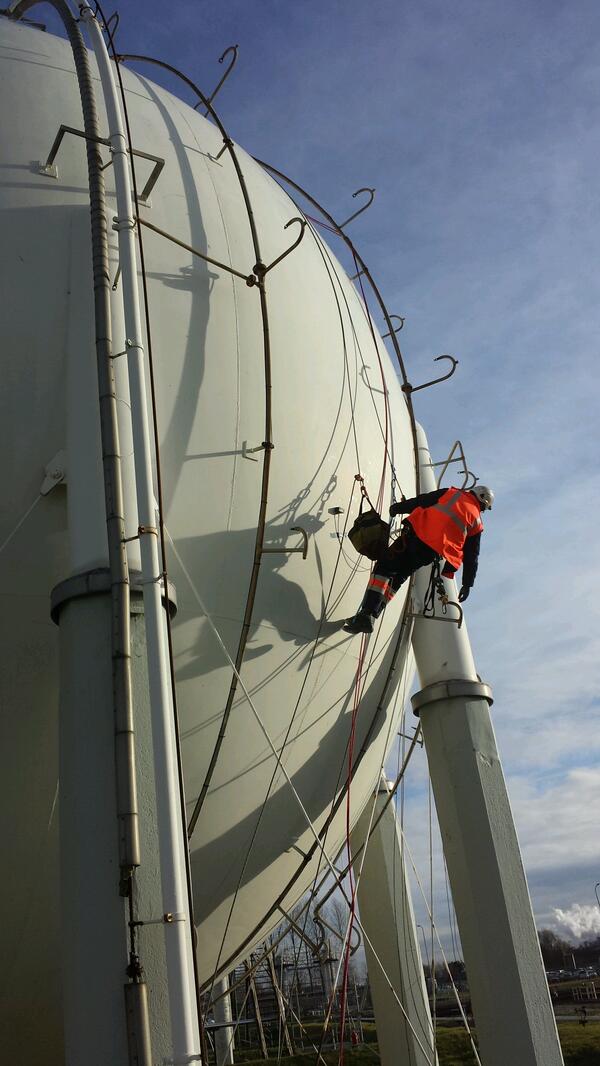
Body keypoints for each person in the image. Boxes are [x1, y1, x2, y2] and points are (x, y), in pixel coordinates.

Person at [343, 483, 494, 634]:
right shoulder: (477, 522)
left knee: (384, 567)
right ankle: (372, 615)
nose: (482, 510)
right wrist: (467, 584)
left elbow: (422, 501)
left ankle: (366, 614)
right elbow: (472, 556)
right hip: (429, 554)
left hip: (415, 538)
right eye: (483, 508)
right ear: (482, 501)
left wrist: (398, 508)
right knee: (399, 577)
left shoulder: (452, 493)